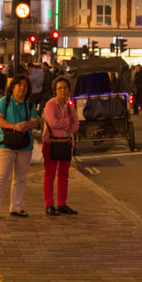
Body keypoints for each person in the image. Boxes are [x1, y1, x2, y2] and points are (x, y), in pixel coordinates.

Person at [0, 74, 38, 218]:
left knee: (20, 178)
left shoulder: (29, 105)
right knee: (1, 176)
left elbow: (35, 122)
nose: (22, 88)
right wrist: (14, 127)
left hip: (24, 146)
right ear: (13, 87)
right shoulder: (5, 100)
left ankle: (16, 207)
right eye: (19, 85)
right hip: (6, 144)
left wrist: (25, 124)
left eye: (25, 86)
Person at [41, 75, 79, 216]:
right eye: (60, 88)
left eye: (65, 88)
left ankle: (62, 204)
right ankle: (49, 205)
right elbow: (53, 123)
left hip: (66, 143)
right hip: (51, 143)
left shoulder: (70, 105)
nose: (63, 90)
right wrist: (67, 122)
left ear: (69, 90)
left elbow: (76, 125)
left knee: (64, 175)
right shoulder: (50, 104)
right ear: (55, 90)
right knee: (49, 175)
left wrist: (65, 123)